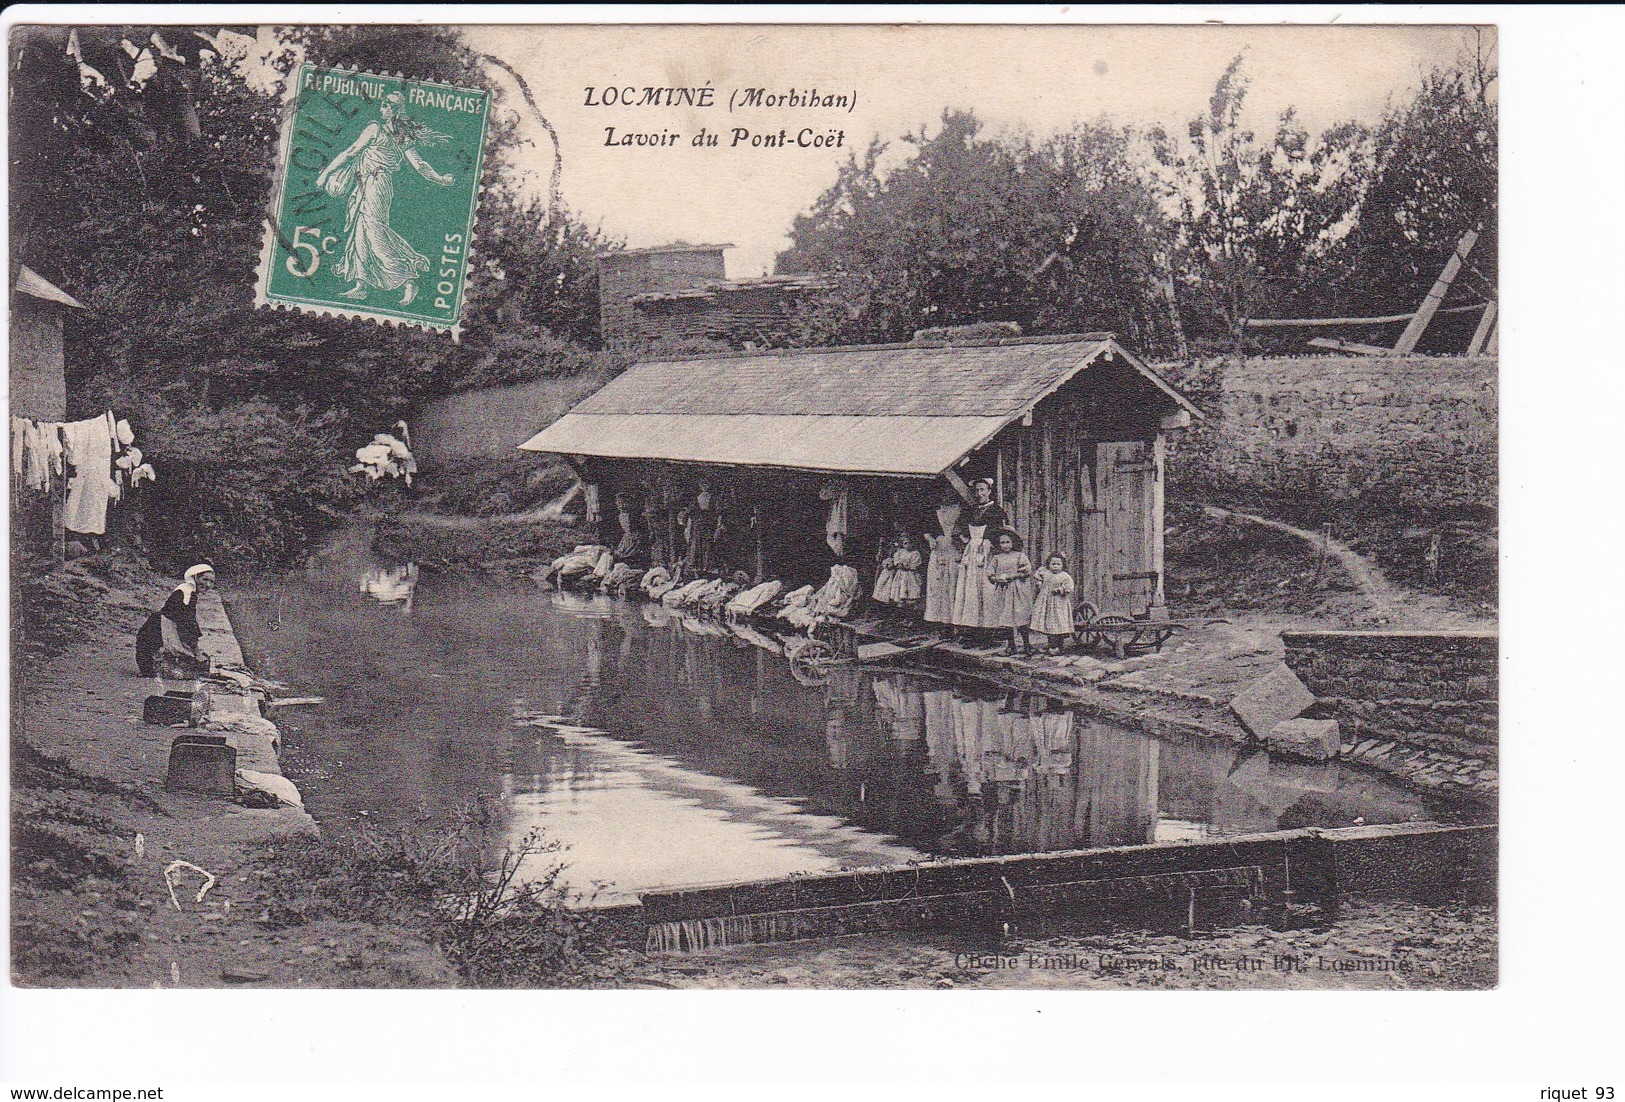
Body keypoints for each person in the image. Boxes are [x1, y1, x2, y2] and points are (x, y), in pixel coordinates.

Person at [315, 90, 456, 307]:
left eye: (386, 106)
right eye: (382, 105)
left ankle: (408, 279)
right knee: (360, 232)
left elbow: (351, 152)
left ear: (394, 110)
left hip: (376, 186)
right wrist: (441, 179)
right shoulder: (397, 135)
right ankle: (361, 286)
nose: (382, 109)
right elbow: (419, 166)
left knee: (373, 232)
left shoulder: (379, 130)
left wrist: (325, 174)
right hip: (366, 185)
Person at [135, 564, 215, 678]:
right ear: (196, 577)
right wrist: (196, 649)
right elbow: (188, 621)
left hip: (164, 625)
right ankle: (151, 671)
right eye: (205, 579)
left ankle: (152, 670)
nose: (208, 584)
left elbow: (186, 620)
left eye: (211, 582)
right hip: (159, 627)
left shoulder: (189, 591)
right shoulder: (186, 593)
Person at [988, 530, 1036, 656]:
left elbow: (1027, 571)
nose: (1005, 545)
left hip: (1018, 589)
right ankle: (1011, 646)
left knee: (1021, 616)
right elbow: (990, 573)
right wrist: (996, 578)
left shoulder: (1019, 556)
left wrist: (1013, 576)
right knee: (1006, 618)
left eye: (1007, 542)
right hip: (1004, 590)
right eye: (1002, 543)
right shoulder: (997, 558)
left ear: (1013, 543)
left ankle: (1027, 645)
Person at [1030, 553, 1077, 655]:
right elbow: (1038, 576)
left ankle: (1058, 646)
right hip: (1046, 602)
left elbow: (1069, 588)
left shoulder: (1064, 576)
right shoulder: (1046, 572)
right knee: (1049, 623)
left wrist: (1060, 589)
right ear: (1048, 564)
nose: (1055, 566)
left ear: (1063, 565)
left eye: (1058, 564)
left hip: (1059, 603)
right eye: (1053, 564)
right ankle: (1052, 645)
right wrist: (1040, 583)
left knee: (1059, 623)